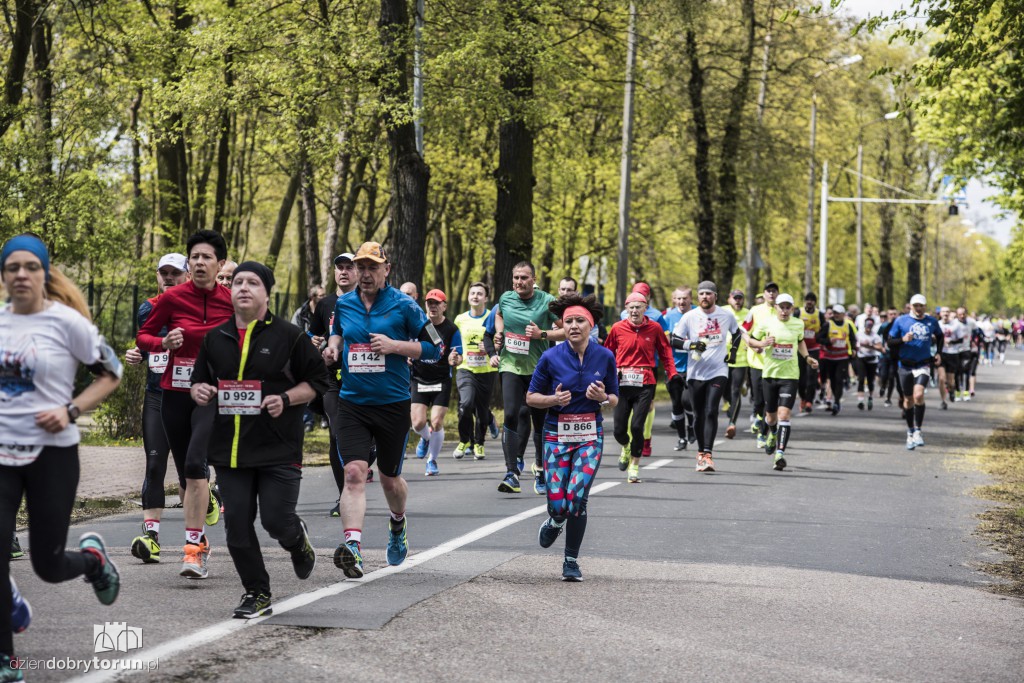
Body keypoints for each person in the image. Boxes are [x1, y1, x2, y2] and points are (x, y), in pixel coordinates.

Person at [0, 234, 123, 681]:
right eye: (12, 267)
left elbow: (112, 372)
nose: (21, 274)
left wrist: (70, 410)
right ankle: (6, 661)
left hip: (52, 455)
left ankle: (93, 562)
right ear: (3, 276)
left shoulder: (67, 323)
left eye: (30, 266)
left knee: (47, 566)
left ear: (44, 273)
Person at [190, 261, 328, 618]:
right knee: (236, 528)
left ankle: (297, 540)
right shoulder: (215, 338)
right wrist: (199, 391)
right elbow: (199, 381)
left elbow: (317, 382)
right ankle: (257, 592)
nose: (243, 288)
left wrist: (285, 398)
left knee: (275, 521)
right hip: (230, 451)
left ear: (267, 293)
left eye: (253, 283)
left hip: (278, 447)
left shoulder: (289, 337)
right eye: (238, 282)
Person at [322, 242, 441, 579]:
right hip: (352, 404)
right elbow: (337, 334)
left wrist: (395, 346)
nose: (365, 273)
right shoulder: (344, 304)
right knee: (354, 473)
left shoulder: (406, 306)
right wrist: (332, 349)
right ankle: (353, 548)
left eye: (373, 267)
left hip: (392, 405)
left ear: (386, 269)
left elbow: (436, 348)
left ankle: (397, 524)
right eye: (361, 267)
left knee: (390, 479)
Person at [136, 229, 233, 579]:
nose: (200, 262)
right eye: (195, 257)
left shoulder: (232, 300)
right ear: (189, 263)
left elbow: (256, 336)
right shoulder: (173, 299)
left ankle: (192, 550)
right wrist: (163, 342)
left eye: (207, 257)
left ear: (220, 263)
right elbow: (143, 337)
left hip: (210, 394)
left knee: (195, 464)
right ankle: (200, 538)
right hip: (174, 394)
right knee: (185, 472)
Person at [527, 293, 618, 581]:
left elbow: (614, 397)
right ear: (562, 326)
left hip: (590, 435)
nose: (574, 326)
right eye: (568, 321)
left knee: (577, 498)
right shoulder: (549, 357)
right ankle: (555, 520)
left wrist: (603, 398)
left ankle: (570, 560)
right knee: (558, 504)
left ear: (591, 325)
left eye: (580, 320)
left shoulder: (605, 356)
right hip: (556, 435)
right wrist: (553, 400)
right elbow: (531, 397)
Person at [124, 253, 190, 563]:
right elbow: (147, 343)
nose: (168, 278)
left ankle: (195, 538)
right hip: (156, 396)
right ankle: (151, 537)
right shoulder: (147, 309)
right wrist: (138, 354)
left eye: (175, 273)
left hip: (188, 399)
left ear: (187, 276)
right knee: (154, 465)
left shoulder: (198, 308)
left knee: (190, 471)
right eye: (164, 273)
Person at [483, 262, 564, 495]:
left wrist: (542, 334)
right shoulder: (506, 298)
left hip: (539, 369)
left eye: (524, 277)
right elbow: (499, 315)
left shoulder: (546, 300)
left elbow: (567, 330)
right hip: (510, 365)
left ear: (533, 279)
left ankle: (540, 468)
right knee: (510, 414)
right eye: (516, 277)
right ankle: (511, 473)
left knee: (539, 421)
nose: (519, 281)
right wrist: (499, 332)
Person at [308, 252, 368, 518]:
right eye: (339, 268)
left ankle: (364, 462)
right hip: (333, 379)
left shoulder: (369, 300)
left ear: (358, 272)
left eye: (348, 267)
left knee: (369, 439)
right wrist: (313, 341)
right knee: (336, 434)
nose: (343, 272)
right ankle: (344, 495)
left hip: (364, 378)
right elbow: (314, 334)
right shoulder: (325, 304)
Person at [604, 291, 679, 483]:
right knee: (619, 430)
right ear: (626, 309)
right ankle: (626, 447)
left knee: (637, 426)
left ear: (646, 308)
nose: (635, 311)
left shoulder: (654, 328)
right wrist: (604, 375)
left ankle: (634, 466)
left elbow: (665, 352)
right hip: (622, 383)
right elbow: (607, 353)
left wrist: (672, 373)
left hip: (645, 383)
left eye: (638, 307)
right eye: (631, 307)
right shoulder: (617, 328)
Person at [671, 281, 742, 473]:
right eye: (702, 293)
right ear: (698, 296)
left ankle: (708, 454)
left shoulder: (726, 315)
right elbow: (674, 340)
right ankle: (701, 452)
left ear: (715, 296)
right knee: (699, 415)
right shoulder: (690, 316)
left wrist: (733, 352)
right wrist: (691, 345)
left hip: (718, 371)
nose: (705, 297)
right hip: (695, 373)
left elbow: (736, 334)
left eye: (709, 294)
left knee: (711, 410)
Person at [746, 294, 817, 470]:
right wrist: (762, 343)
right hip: (770, 375)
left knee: (783, 415)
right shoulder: (766, 322)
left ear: (792, 309)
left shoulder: (798, 324)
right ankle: (773, 433)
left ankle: (779, 454)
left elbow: (800, 342)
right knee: (771, 418)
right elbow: (750, 340)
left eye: (788, 308)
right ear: (776, 307)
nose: (784, 311)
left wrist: (807, 357)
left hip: (790, 376)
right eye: (781, 307)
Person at [410, 289, 459, 476]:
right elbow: (408, 345)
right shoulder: (418, 325)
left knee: (437, 422)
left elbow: (458, 355)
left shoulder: (451, 329)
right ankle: (426, 438)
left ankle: (432, 460)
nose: (433, 306)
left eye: (437, 303)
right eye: (430, 303)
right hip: (419, 378)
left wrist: (455, 359)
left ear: (444, 306)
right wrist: (407, 356)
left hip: (441, 380)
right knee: (418, 423)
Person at [888, 294, 943, 450]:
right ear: (911, 306)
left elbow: (940, 336)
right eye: (916, 306)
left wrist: (939, 353)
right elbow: (890, 342)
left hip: (923, 364)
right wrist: (903, 340)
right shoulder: (901, 321)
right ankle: (910, 431)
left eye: (921, 306)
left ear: (925, 307)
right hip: (905, 365)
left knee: (918, 395)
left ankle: (918, 430)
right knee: (908, 400)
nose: (918, 308)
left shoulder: (931, 321)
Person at [451, 282, 498, 461]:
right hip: (466, 368)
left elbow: (500, 340)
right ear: (468, 296)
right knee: (466, 403)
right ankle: (464, 440)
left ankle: (479, 443)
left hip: (486, 369)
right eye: (472, 293)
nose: (475, 296)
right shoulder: (460, 319)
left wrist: (490, 347)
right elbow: (454, 343)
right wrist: (454, 356)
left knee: (482, 410)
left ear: (486, 298)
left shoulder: (492, 317)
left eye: (479, 293)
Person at [743, 282, 779, 447]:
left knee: (769, 402)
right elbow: (744, 331)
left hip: (775, 364)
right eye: (768, 291)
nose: (771, 294)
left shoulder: (782, 312)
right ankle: (758, 417)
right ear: (764, 294)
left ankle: (762, 434)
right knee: (758, 401)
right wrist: (754, 345)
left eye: (774, 291)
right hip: (757, 362)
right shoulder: (755, 311)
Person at [663, 287, 695, 450]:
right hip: (673, 367)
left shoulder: (698, 314)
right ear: (674, 300)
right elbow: (663, 339)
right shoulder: (668, 317)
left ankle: (692, 427)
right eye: (679, 298)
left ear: (691, 299)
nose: (682, 302)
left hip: (694, 366)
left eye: (685, 298)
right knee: (676, 404)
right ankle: (682, 438)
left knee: (687, 401)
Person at [816, 304, 857, 415]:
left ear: (843, 314)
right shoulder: (828, 324)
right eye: (834, 313)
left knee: (839, 379)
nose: (836, 315)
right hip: (829, 358)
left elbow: (852, 339)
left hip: (842, 357)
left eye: (838, 313)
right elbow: (818, 338)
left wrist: (853, 349)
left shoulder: (847, 325)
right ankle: (834, 397)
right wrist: (829, 341)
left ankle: (837, 402)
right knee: (833, 380)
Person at [724, 289, 749, 439]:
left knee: (735, 390)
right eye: (735, 298)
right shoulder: (722, 311)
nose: (738, 301)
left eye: (740, 298)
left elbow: (754, 332)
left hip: (741, 359)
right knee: (724, 390)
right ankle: (730, 406)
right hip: (722, 358)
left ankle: (732, 423)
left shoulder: (748, 314)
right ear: (729, 299)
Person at [798, 292, 826, 414]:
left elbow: (825, 329)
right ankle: (803, 398)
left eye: (812, 300)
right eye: (807, 300)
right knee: (801, 377)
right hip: (800, 348)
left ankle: (809, 401)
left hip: (814, 348)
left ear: (815, 302)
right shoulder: (798, 312)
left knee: (812, 376)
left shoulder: (819, 314)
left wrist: (819, 337)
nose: (809, 302)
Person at [938, 307, 967, 409]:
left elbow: (961, 340)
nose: (945, 313)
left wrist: (951, 342)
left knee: (950, 381)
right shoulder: (937, 324)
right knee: (942, 379)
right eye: (943, 312)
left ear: (949, 313)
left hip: (952, 354)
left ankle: (951, 390)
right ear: (940, 314)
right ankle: (943, 401)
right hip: (941, 354)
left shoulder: (955, 325)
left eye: (947, 312)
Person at [854, 317, 884, 410]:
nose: (868, 327)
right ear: (864, 325)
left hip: (872, 360)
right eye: (867, 325)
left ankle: (870, 397)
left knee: (870, 381)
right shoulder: (858, 334)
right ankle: (860, 401)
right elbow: (854, 344)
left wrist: (870, 345)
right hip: (861, 358)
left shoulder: (875, 336)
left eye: (870, 326)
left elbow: (880, 348)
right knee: (861, 379)